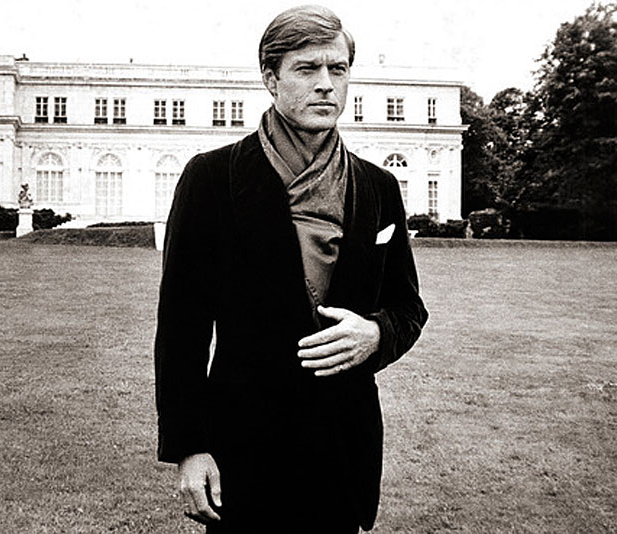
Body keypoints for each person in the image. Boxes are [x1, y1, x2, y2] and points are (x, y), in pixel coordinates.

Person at [155, 5, 428, 533]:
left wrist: (376, 333)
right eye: (307, 69)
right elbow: (181, 327)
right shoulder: (211, 178)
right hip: (244, 454)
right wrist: (190, 447)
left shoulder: (377, 187)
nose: (326, 83)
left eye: (338, 68)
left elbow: (407, 306)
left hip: (342, 454)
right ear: (270, 78)